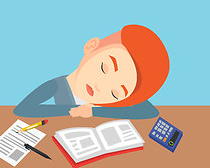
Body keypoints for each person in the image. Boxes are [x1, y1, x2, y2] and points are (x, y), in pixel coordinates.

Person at [13, 24, 169, 119]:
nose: (101, 87)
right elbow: (23, 109)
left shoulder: (105, 106)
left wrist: (93, 113)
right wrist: (72, 112)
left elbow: (148, 111)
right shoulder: (58, 86)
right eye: (104, 68)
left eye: (115, 93)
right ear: (91, 46)